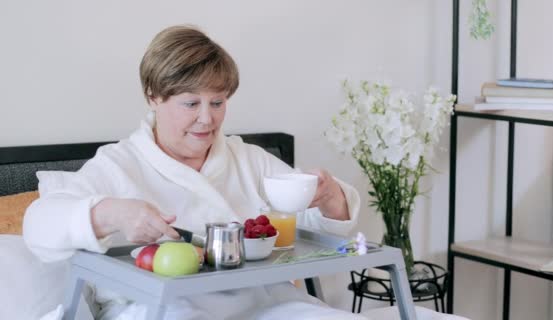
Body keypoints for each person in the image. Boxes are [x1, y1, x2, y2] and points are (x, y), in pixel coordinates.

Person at [23, 25, 365, 320]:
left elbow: (311, 228)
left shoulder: (246, 159)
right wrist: (110, 213)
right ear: (153, 96)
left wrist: (331, 199)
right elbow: (39, 226)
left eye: (217, 103)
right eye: (191, 104)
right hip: (159, 309)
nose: (207, 119)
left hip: (267, 304)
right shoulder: (117, 165)